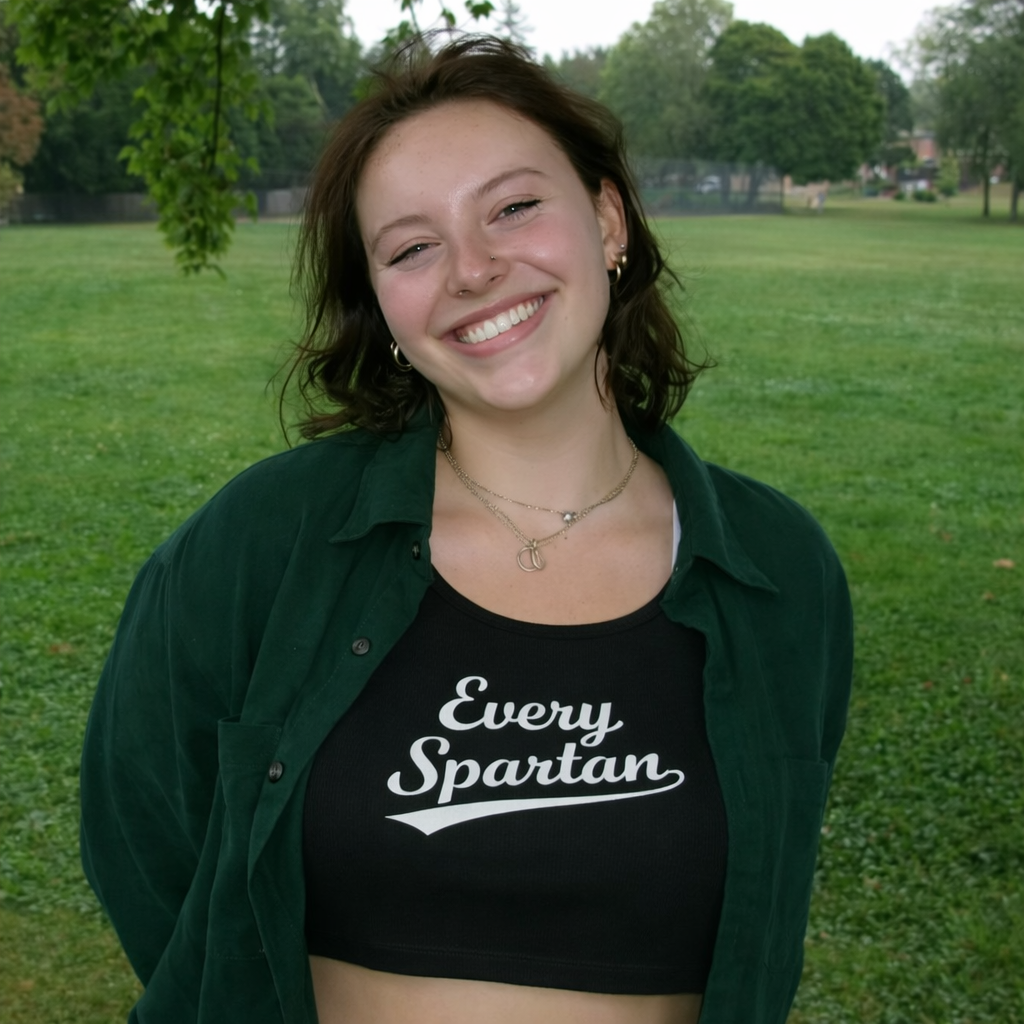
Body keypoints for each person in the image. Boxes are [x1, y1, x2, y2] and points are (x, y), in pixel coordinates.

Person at [80, 36, 853, 1024]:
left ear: (608, 219)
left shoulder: (779, 570)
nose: (475, 269)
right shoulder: (264, 538)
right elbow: (140, 824)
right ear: (386, 310)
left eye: (514, 207)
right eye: (412, 247)